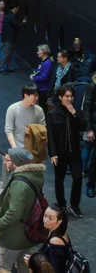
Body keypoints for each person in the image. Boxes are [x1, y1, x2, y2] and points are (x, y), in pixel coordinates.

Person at [0, 148, 46, 273]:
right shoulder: (32, 176)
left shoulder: (19, 184)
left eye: (7, 160)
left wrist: (0, 224)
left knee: (3, 268)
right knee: (24, 267)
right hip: (24, 235)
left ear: (16, 163)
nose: (4, 162)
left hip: (12, 237)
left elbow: (15, 212)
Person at [46, 84, 86, 218]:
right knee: (59, 179)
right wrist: (52, 154)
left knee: (78, 177)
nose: (69, 99)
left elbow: (83, 126)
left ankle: (74, 205)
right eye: (66, 96)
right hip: (60, 153)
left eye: (71, 96)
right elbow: (50, 136)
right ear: (60, 97)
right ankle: (61, 204)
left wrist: (74, 113)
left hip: (74, 152)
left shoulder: (77, 112)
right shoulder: (52, 114)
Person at [4, 85, 46, 149]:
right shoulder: (12, 109)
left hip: (33, 147)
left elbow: (43, 128)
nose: (37, 98)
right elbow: (8, 129)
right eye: (34, 96)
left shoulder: (39, 110)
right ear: (26, 95)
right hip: (17, 146)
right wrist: (14, 147)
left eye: (38, 96)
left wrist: (33, 130)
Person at [38, 204, 71, 273]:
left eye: (50, 218)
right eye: (45, 216)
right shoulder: (61, 233)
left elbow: (56, 269)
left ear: (60, 221)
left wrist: (33, 264)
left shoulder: (55, 241)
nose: (45, 220)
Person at [0, 2, 27, 75]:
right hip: (8, 39)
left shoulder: (8, 15)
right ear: (15, 8)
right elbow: (17, 25)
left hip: (8, 38)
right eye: (18, 8)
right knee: (6, 54)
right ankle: (2, 68)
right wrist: (23, 22)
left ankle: (9, 67)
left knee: (10, 54)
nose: (18, 10)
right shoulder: (11, 16)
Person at [30, 45, 54, 111]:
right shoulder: (43, 62)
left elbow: (44, 77)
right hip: (40, 88)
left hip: (44, 90)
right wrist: (34, 74)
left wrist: (34, 78)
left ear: (44, 52)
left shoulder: (47, 63)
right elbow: (38, 71)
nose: (37, 52)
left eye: (39, 51)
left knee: (44, 108)